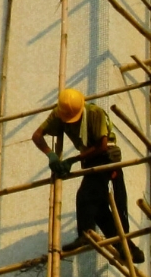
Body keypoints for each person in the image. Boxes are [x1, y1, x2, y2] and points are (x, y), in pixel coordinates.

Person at [33, 88, 144, 263]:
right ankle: (128, 248)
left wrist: (74, 159)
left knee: (85, 196)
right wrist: (50, 155)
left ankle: (85, 233)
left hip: (107, 157)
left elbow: (102, 146)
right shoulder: (59, 113)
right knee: (98, 209)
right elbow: (37, 136)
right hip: (89, 160)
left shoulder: (94, 113)